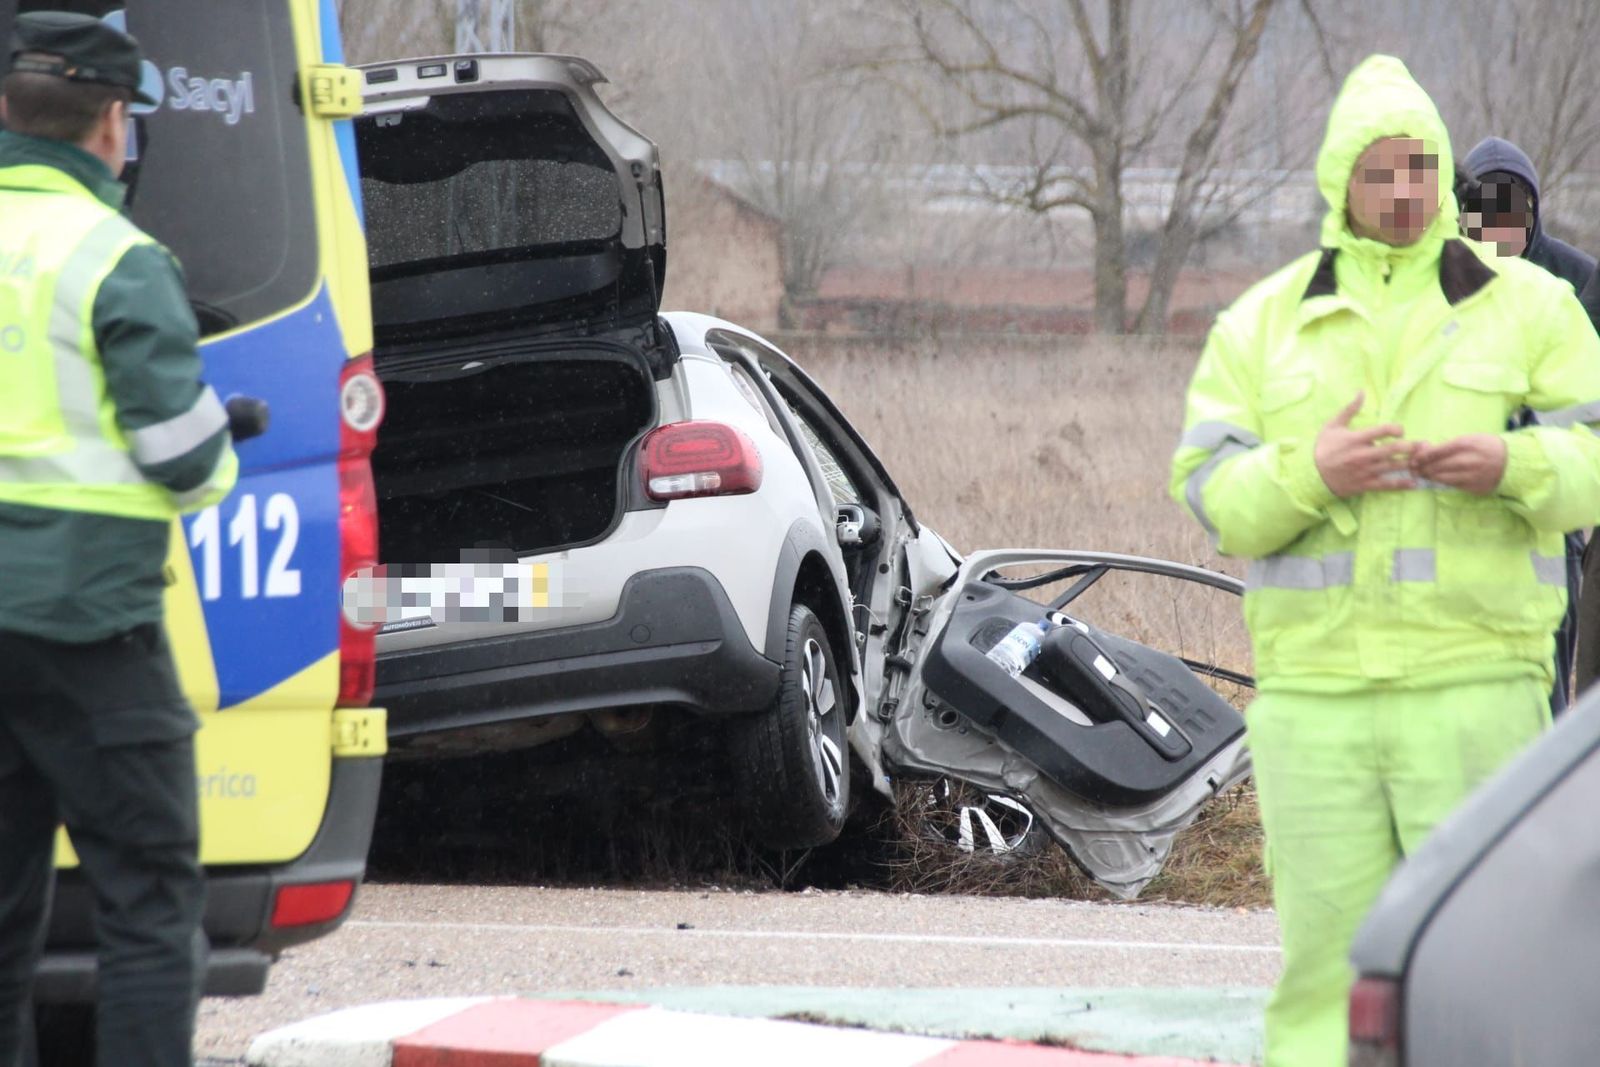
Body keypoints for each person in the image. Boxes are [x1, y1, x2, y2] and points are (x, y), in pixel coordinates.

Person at [1170, 55, 1600, 1067]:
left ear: (1442, 173)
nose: (1403, 190)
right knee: (1323, 979)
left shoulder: (1530, 307)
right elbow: (1209, 493)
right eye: (1379, 171)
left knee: (1491, 968)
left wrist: (1515, 462)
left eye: (1419, 166)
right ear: (1339, 184)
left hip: (1479, 693)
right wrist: (1308, 471)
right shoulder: (1262, 323)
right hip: (1315, 708)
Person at [0, 12, 237, 1067]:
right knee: (145, 907)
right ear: (109, 122)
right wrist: (226, 441)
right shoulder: (116, 254)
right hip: (93, 629)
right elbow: (184, 456)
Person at [1460, 138, 1597, 713]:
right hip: (1461, 513)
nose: (1497, 226)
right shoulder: (1439, 279)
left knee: (1548, 667)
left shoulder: (1574, 280)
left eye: (1511, 209)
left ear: (1533, 213)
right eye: (1482, 209)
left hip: (1549, 507)